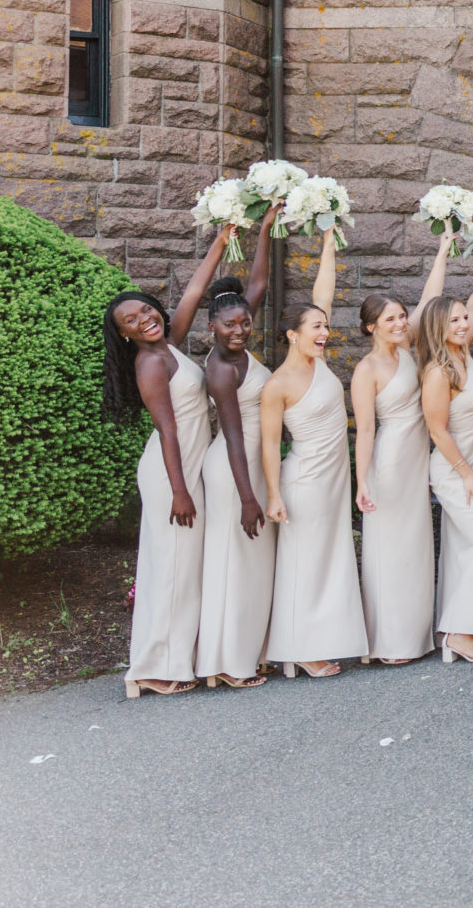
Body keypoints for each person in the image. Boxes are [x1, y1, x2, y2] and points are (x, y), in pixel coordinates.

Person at [104, 228, 229, 697]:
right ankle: (154, 669)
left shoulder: (167, 343)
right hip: (170, 474)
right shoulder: (150, 364)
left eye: (146, 309)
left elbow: (195, 290)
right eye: (132, 320)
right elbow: (168, 430)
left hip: (185, 468)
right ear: (123, 332)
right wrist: (180, 490)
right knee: (173, 568)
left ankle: (175, 659)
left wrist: (224, 235)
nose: (145, 319)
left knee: (177, 567)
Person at [260, 233, 369, 678]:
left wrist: (329, 240)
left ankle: (323, 639)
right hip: (303, 480)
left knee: (329, 559)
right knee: (304, 562)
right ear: (292, 334)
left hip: (334, 479)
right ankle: (298, 649)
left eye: (325, 327)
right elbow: (270, 443)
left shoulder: (320, 364)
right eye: (316, 328)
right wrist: (273, 494)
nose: (325, 333)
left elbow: (323, 291)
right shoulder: (277, 384)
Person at [349, 228, 452, 666]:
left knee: (415, 545)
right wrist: (362, 482)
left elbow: (430, 299)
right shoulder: (366, 369)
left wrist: (443, 249)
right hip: (388, 462)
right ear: (371, 326)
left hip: (416, 459)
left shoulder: (409, 349)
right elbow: (366, 431)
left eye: (401, 317)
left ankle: (416, 635)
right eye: (389, 319)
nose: (400, 323)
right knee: (389, 549)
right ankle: (390, 642)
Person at [196, 211, 278, 688]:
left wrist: (263, 229)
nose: (240, 331)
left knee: (252, 563)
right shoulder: (220, 370)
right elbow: (230, 435)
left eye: (245, 323)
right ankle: (228, 662)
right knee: (234, 561)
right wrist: (249, 498)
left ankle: (250, 651)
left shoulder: (242, 336)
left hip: (254, 464)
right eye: (229, 326)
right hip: (233, 472)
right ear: (212, 328)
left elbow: (261, 281)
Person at [418, 249, 473, 663]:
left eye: (463, 318)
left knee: (466, 548)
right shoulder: (439, 371)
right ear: (439, 327)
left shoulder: (464, 353)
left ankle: (470, 623)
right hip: (456, 470)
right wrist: (468, 474)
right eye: (453, 320)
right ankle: (457, 632)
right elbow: (437, 429)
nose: (463, 323)